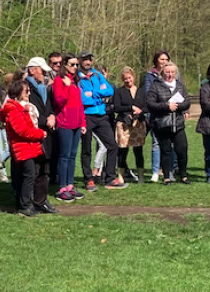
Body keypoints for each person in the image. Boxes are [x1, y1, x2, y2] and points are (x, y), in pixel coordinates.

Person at [76, 53, 121, 190]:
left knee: (112, 145)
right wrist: (99, 95)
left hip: (101, 115)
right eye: (84, 60)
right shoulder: (77, 77)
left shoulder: (97, 75)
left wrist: (93, 94)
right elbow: (81, 98)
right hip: (86, 115)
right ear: (80, 61)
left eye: (89, 59)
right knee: (86, 149)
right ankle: (88, 180)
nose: (88, 62)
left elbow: (110, 90)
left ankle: (110, 178)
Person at [2, 77, 45, 216]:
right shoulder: (14, 110)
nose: (28, 94)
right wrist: (40, 134)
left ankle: (23, 203)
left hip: (27, 148)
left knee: (25, 176)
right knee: (29, 176)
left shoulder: (19, 109)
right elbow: (22, 131)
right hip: (22, 149)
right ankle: (24, 205)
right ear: (18, 92)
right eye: (26, 91)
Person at [146, 62, 190, 184]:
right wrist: (166, 106)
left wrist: (177, 106)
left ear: (175, 73)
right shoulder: (155, 86)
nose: (170, 74)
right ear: (162, 73)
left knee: (182, 150)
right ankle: (166, 177)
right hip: (162, 124)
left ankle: (183, 176)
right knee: (165, 151)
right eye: (167, 72)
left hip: (178, 124)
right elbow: (150, 104)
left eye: (172, 72)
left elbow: (187, 103)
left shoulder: (180, 86)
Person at [50, 55, 86, 202]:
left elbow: (79, 104)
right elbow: (58, 102)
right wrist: (66, 86)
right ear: (65, 65)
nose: (75, 67)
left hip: (76, 123)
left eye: (76, 65)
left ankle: (70, 185)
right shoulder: (59, 81)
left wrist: (83, 122)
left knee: (72, 156)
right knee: (64, 156)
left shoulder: (76, 82)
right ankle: (62, 187)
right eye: (72, 64)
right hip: (64, 123)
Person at [24, 57, 57, 214]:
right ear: (32, 70)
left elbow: (48, 106)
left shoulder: (43, 87)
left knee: (45, 167)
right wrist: (44, 120)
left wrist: (52, 116)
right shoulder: (25, 87)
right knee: (33, 169)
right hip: (33, 132)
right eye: (42, 71)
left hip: (46, 131)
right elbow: (28, 110)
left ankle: (41, 200)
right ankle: (27, 201)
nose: (44, 74)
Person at [113, 67, 147, 183]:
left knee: (138, 150)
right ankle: (121, 176)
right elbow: (116, 107)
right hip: (124, 123)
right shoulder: (119, 91)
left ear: (133, 77)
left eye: (129, 78)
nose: (128, 80)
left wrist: (140, 112)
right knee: (122, 150)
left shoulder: (141, 92)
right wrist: (130, 108)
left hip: (138, 123)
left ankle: (141, 176)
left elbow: (147, 106)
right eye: (125, 79)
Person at [142, 51, 170, 181]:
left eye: (166, 59)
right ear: (156, 61)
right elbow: (149, 93)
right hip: (155, 112)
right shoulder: (150, 75)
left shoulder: (174, 74)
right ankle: (155, 171)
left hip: (171, 113)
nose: (164, 61)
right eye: (161, 59)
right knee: (156, 142)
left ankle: (168, 171)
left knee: (171, 143)